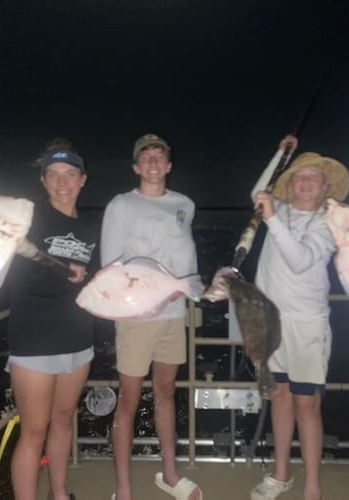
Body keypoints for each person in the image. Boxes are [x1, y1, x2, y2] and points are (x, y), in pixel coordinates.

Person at [249, 136, 349, 500]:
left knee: (307, 403)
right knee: (279, 397)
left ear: (325, 186)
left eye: (313, 177)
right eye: (298, 176)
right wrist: (281, 154)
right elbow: (258, 192)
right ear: (289, 184)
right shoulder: (279, 207)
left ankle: (312, 485)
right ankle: (280, 475)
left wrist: (273, 219)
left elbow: (301, 259)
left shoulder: (329, 222)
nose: (305, 182)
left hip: (307, 324)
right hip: (270, 322)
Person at [101, 134, 202, 500]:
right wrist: (144, 297)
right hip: (135, 318)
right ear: (135, 166)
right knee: (128, 400)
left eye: (160, 156)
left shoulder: (184, 205)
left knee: (165, 393)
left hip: (175, 315)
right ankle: (124, 488)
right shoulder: (121, 205)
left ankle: (170, 475)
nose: (154, 161)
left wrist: (191, 288)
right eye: (146, 156)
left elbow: (187, 265)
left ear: (169, 165)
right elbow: (111, 267)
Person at [6, 138, 98, 500]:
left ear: (83, 179)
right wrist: (64, 275)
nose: (63, 183)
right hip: (34, 340)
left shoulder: (92, 228)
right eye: (54, 175)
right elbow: (17, 271)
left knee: (63, 421)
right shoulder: (27, 219)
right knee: (33, 431)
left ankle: (59, 493)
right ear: (43, 181)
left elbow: (99, 278)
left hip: (80, 339)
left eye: (70, 174)